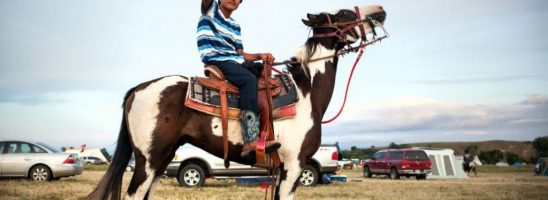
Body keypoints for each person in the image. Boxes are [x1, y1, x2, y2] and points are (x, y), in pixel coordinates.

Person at [198, 0, 281, 158]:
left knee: (265, 69)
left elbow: (240, 54)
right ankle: (250, 140)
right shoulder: (211, 10)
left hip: (236, 61)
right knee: (248, 80)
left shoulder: (235, 26)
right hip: (217, 60)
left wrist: (260, 56)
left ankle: (269, 129)